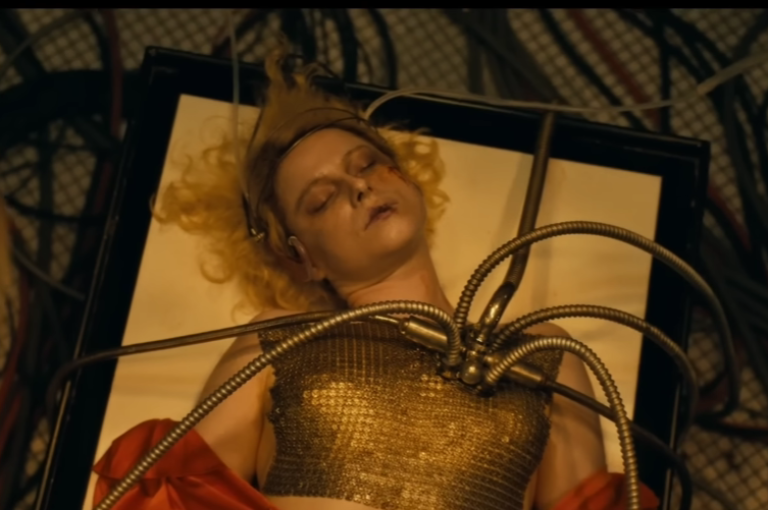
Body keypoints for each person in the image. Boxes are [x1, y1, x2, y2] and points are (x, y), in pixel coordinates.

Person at [93, 40, 660, 510]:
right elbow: (171, 496)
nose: (359, 186)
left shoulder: (542, 352)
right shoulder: (278, 341)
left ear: (409, 181)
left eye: (368, 165)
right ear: (303, 258)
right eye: (321, 200)